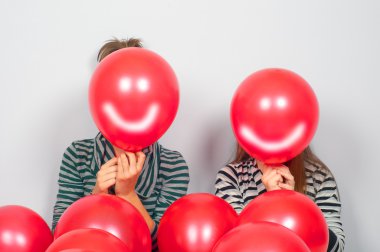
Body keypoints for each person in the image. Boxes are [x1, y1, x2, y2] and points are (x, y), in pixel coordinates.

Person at [52, 38, 190, 251]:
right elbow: (60, 238)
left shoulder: (173, 165)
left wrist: (128, 195)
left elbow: (164, 246)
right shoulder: (77, 155)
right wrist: (97, 196)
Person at [215, 145, 345, 252]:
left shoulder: (320, 177)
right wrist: (271, 203)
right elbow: (232, 245)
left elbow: (336, 248)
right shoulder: (231, 176)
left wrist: (293, 205)